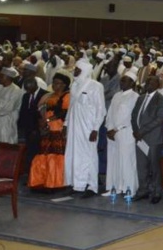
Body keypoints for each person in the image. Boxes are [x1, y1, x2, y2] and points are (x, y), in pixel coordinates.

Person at [64, 59, 107, 198]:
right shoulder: (74, 85)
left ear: (85, 71)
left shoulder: (95, 86)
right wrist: (66, 124)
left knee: (89, 155)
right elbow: (70, 107)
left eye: (77, 70)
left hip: (88, 128)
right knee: (75, 154)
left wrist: (95, 128)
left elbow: (101, 109)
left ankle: (91, 186)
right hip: (74, 127)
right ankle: (78, 184)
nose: (75, 71)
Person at [28, 71, 70, 189]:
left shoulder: (67, 96)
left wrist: (47, 121)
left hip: (58, 129)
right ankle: (43, 180)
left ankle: (56, 181)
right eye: (54, 83)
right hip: (47, 130)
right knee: (44, 153)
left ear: (64, 85)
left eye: (58, 83)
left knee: (56, 154)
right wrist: (42, 122)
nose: (55, 85)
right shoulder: (48, 96)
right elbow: (40, 111)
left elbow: (63, 113)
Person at [131, 75, 163, 204]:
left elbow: (159, 119)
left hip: (153, 138)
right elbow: (134, 115)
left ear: (157, 85)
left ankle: (156, 192)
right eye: (147, 82)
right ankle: (143, 190)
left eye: (151, 82)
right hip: (139, 137)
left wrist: (141, 131)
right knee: (141, 166)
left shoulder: (161, 99)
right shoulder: (140, 98)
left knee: (154, 167)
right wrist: (135, 130)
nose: (147, 84)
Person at [104, 70, 139, 196]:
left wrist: (116, 129)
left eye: (124, 80)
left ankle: (129, 189)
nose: (121, 82)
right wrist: (109, 128)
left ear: (132, 83)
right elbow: (110, 113)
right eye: (121, 80)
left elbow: (131, 117)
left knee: (127, 162)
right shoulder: (116, 95)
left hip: (126, 132)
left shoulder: (134, 97)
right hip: (112, 133)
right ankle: (115, 187)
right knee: (114, 161)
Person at [18, 70, 47, 173]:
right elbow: (23, 112)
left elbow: (43, 114)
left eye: (30, 90)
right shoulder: (26, 96)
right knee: (30, 152)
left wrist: (36, 129)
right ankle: (30, 174)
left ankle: (37, 174)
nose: (28, 92)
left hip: (39, 130)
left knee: (38, 153)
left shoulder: (45, 95)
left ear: (34, 86)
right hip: (28, 130)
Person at [0, 67, 22, 158]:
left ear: (8, 77)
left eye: (1, 76)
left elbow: (7, 108)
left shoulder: (16, 90)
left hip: (7, 123)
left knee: (4, 147)